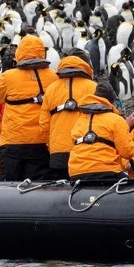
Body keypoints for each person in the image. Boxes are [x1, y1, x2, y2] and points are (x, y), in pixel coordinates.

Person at [0, 35, 58, 181]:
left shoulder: (8, 76)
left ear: (19, 52)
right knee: (39, 188)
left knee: (6, 188)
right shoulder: (54, 77)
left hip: (13, 142)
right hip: (42, 143)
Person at [39, 50, 97, 179]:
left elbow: (44, 124)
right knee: (85, 190)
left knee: (60, 190)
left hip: (58, 152)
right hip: (85, 151)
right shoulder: (93, 87)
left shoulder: (51, 89)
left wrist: (52, 146)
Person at [68, 82, 134, 182]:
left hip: (76, 172)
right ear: (112, 101)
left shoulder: (80, 120)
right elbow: (127, 152)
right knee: (129, 183)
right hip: (106, 171)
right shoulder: (116, 120)